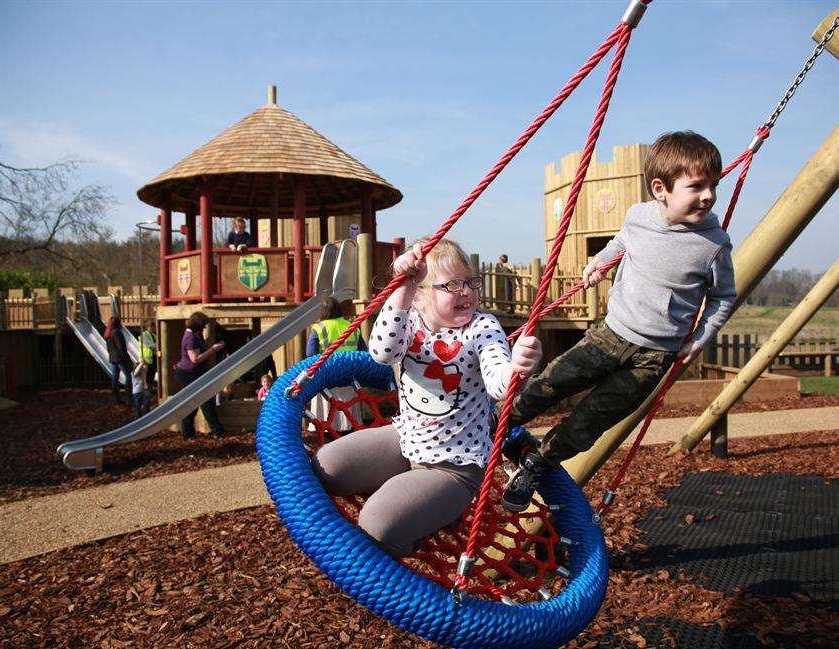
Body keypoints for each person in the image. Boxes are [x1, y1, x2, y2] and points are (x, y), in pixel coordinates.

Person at [500, 131, 737, 512]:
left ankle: (537, 464)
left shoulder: (714, 243)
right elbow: (623, 240)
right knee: (551, 384)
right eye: (696, 186)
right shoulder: (639, 216)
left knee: (589, 421)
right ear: (660, 189)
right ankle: (490, 428)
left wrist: (702, 336)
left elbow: (723, 297)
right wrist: (599, 260)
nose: (708, 195)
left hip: (654, 357)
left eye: (714, 185)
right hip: (609, 335)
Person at [311, 238, 542, 558]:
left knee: (376, 524)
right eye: (451, 285)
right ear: (419, 297)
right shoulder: (409, 320)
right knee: (326, 467)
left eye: (470, 282)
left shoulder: (482, 327)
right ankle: (414, 497)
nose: (466, 292)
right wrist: (403, 288)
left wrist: (517, 368)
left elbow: (498, 384)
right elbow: (381, 352)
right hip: (405, 440)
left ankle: (426, 520)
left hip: (454, 467)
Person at [306, 297, 368, 430]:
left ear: (322, 312)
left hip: (326, 377)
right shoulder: (352, 326)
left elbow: (310, 354)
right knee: (350, 419)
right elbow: (363, 351)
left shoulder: (319, 328)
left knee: (326, 418)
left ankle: (326, 432)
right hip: (349, 377)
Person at [175, 311, 226, 438]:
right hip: (189, 374)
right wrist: (213, 349)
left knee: (196, 402)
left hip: (192, 373)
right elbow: (195, 359)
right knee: (204, 401)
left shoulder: (191, 335)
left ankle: (189, 433)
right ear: (198, 325)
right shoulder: (190, 338)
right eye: (203, 325)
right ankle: (217, 431)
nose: (204, 328)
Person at [103, 315, 132, 404]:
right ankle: (129, 399)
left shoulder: (108, 333)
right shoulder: (117, 332)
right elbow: (121, 347)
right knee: (128, 377)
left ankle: (116, 399)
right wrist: (128, 359)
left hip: (112, 358)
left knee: (115, 379)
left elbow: (108, 348)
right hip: (120, 358)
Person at [141, 321, 157, 386]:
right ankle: (147, 390)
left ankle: (151, 387)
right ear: (148, 327)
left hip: (153, 357)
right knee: (148, 375)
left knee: (152, 373)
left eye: (154, 327)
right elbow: (150, 345)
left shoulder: (153, 335)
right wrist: (157, 345)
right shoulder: (144, 334)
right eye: (152, 327)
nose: (153, 329)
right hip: (147, 358)